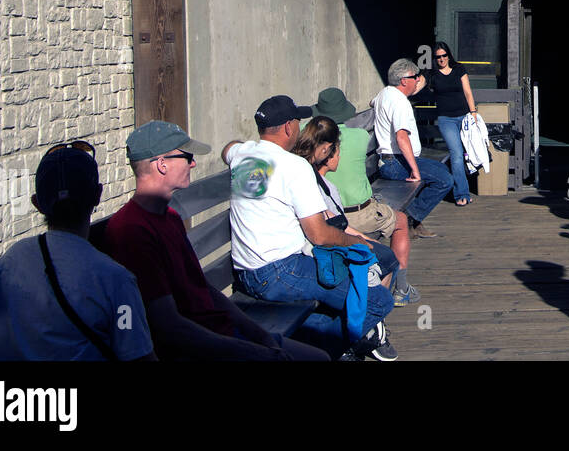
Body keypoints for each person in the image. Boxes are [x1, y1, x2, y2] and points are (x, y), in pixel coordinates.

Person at [104, 120, 329, 361]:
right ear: (161, 164)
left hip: (223, 334)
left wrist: (260, 335)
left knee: (319, 357)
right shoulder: (132, 231)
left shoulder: (169, 217)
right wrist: (254, 350)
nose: (193, 163)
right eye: (187, 156)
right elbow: (170, 328)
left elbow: (203, 287)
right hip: (200, 348)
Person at [224, 95, 397, 360]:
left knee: (335, 302)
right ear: (288, 128)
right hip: (281, 270)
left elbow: (228, 148)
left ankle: (298, 344)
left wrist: (241, 147)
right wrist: (356, 242)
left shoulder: (243, 155)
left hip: (247, 272)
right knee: (378, 301)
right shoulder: (295, 167)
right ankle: (316, 350)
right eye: (298, 121)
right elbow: (319, 235)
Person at [0, 141, 156, 361]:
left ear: (37, 204)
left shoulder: (12, 260)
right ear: (98, 194)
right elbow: (138, 355)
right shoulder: (117, 280)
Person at [291, 114, 420, 307]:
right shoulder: (358, 135)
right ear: (327, 152)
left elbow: (334, 220)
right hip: (329, 245)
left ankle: (373, 308)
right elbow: (327, 230)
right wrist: (361, 241)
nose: (340, 156)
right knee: (390, 248)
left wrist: (362, 238)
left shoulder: (308, 169)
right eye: (338, 152)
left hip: (338, 229)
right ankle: (382, 303)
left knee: (381, 253)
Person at [372, 58, 454, 236]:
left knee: (440, 168)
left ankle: (414, 219)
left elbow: (374, 102)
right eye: (415, 77)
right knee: (444, 180)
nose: (418, 80)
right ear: (403, 81)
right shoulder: (400, 102)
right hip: (394, 163)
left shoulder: (385, 93)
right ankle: (408, 220)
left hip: (390, 160)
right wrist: (414, 170)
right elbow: (401, 137)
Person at [421, 41, 479, 207]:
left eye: (444, 55)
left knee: (471, 152)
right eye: (438, 57)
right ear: (434, 58)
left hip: (464, 117)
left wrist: (473, 112)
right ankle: (462, 193)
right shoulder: (431, 74)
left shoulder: (459, 69)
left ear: (448, 55)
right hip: (446, 119)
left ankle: (464, 186)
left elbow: (468, 92)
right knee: (456, 154)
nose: (441, 59)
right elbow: (415, 86)